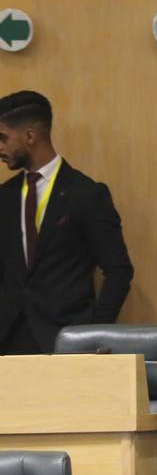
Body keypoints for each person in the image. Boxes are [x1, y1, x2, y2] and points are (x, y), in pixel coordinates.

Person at [0, 90, 133, 354]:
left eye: (3, 138)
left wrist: (93, 332)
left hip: (67, 341)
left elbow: (119, 270)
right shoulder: (4, 197)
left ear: (30, 136)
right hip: (9, 343)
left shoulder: (86, 194)